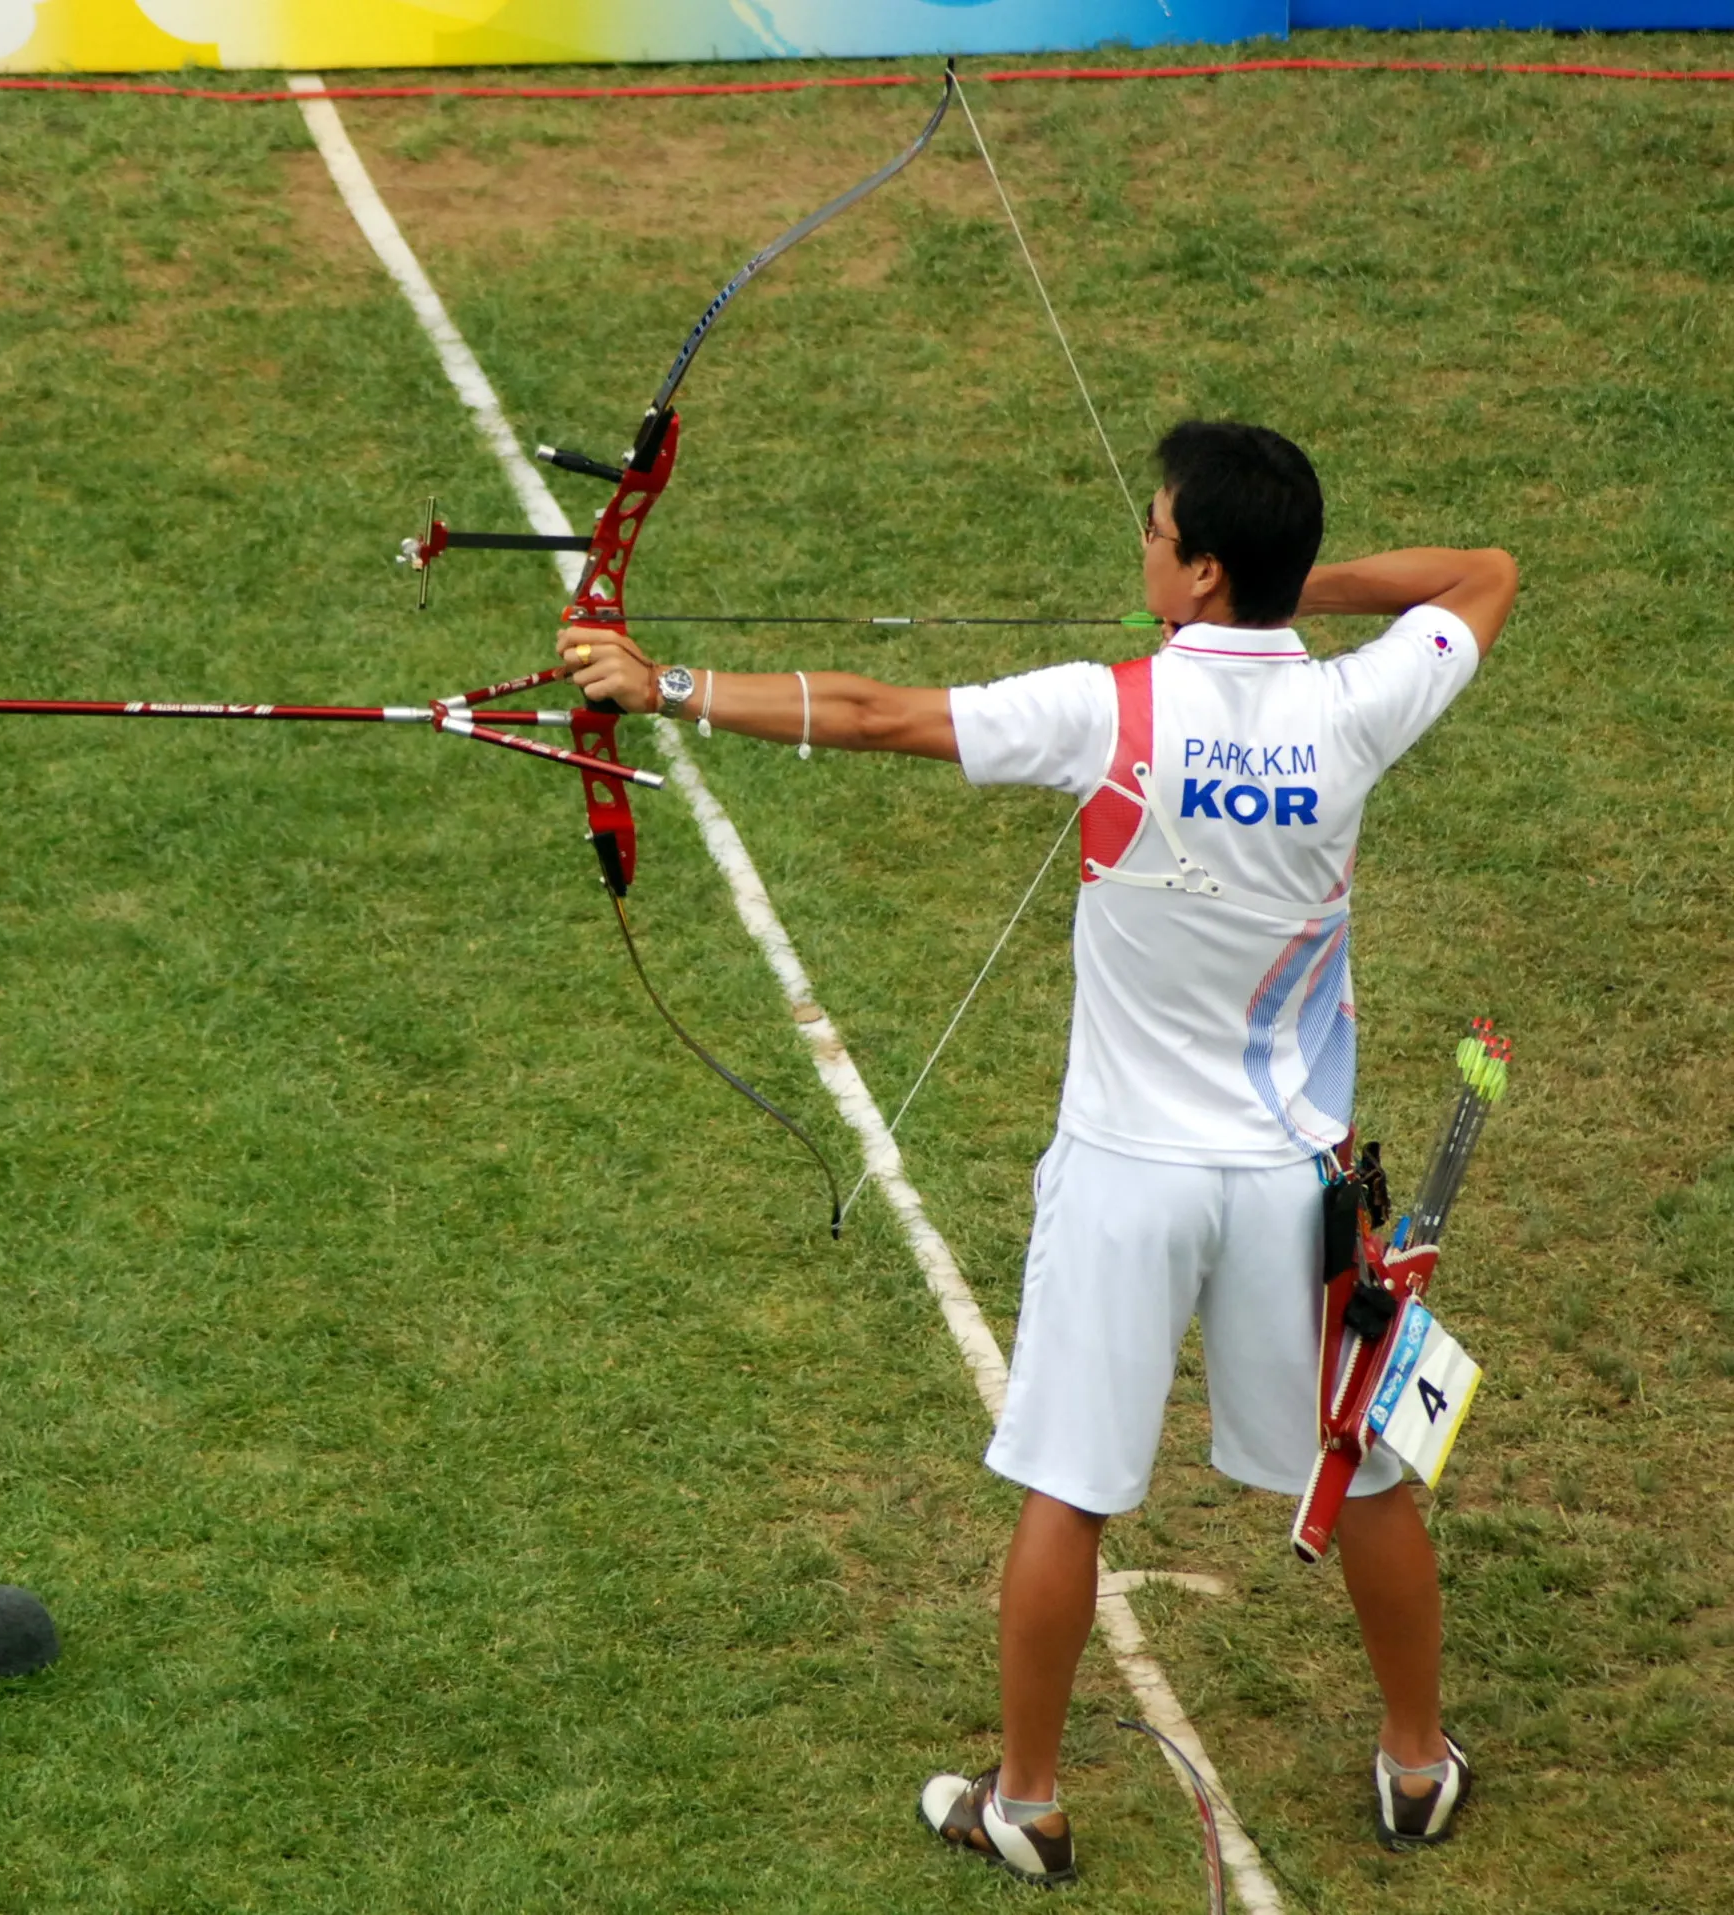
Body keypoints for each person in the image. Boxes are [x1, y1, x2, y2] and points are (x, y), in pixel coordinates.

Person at [559, 420, 1518, 1885]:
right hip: (1293, 1188)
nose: (1134, 546)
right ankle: (1411, 1759)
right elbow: (1481, 574)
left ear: (1197, 570)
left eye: (1156, 533)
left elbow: (882, 715)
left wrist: (662, 683)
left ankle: (1027, 1796)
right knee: (1369, 1470)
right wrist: (1280, 595)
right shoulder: (1356, 707)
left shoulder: (1107, 707)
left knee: (1068, 1485)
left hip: (1126, 1173)